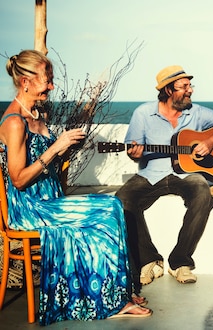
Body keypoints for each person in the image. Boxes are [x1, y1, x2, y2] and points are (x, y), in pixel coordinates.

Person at [0, 50, 152, 325]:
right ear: (25, 82)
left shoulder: (36, 113)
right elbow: (19, 179)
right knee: (106, 211)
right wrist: (56, 148)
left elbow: (47, 164)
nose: (51, 86)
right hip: (32, 208)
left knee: (113, 204)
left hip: (50, 200)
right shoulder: (14, 122)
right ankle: (109, 301)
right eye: (47, 80)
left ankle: (117, 292)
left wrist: (65, 149)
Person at [115, 65, 213, 288]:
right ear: (167, 90)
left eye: (190, 85)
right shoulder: (143, 113)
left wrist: (210, 143)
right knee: (121, 201)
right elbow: (134, 151)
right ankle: (149, 261)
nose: (190, 90)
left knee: (203, 194)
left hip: (187, 174)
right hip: (151, 174)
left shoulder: (197, 112)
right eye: (184, 87)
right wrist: (134, 153)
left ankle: (180, 262)